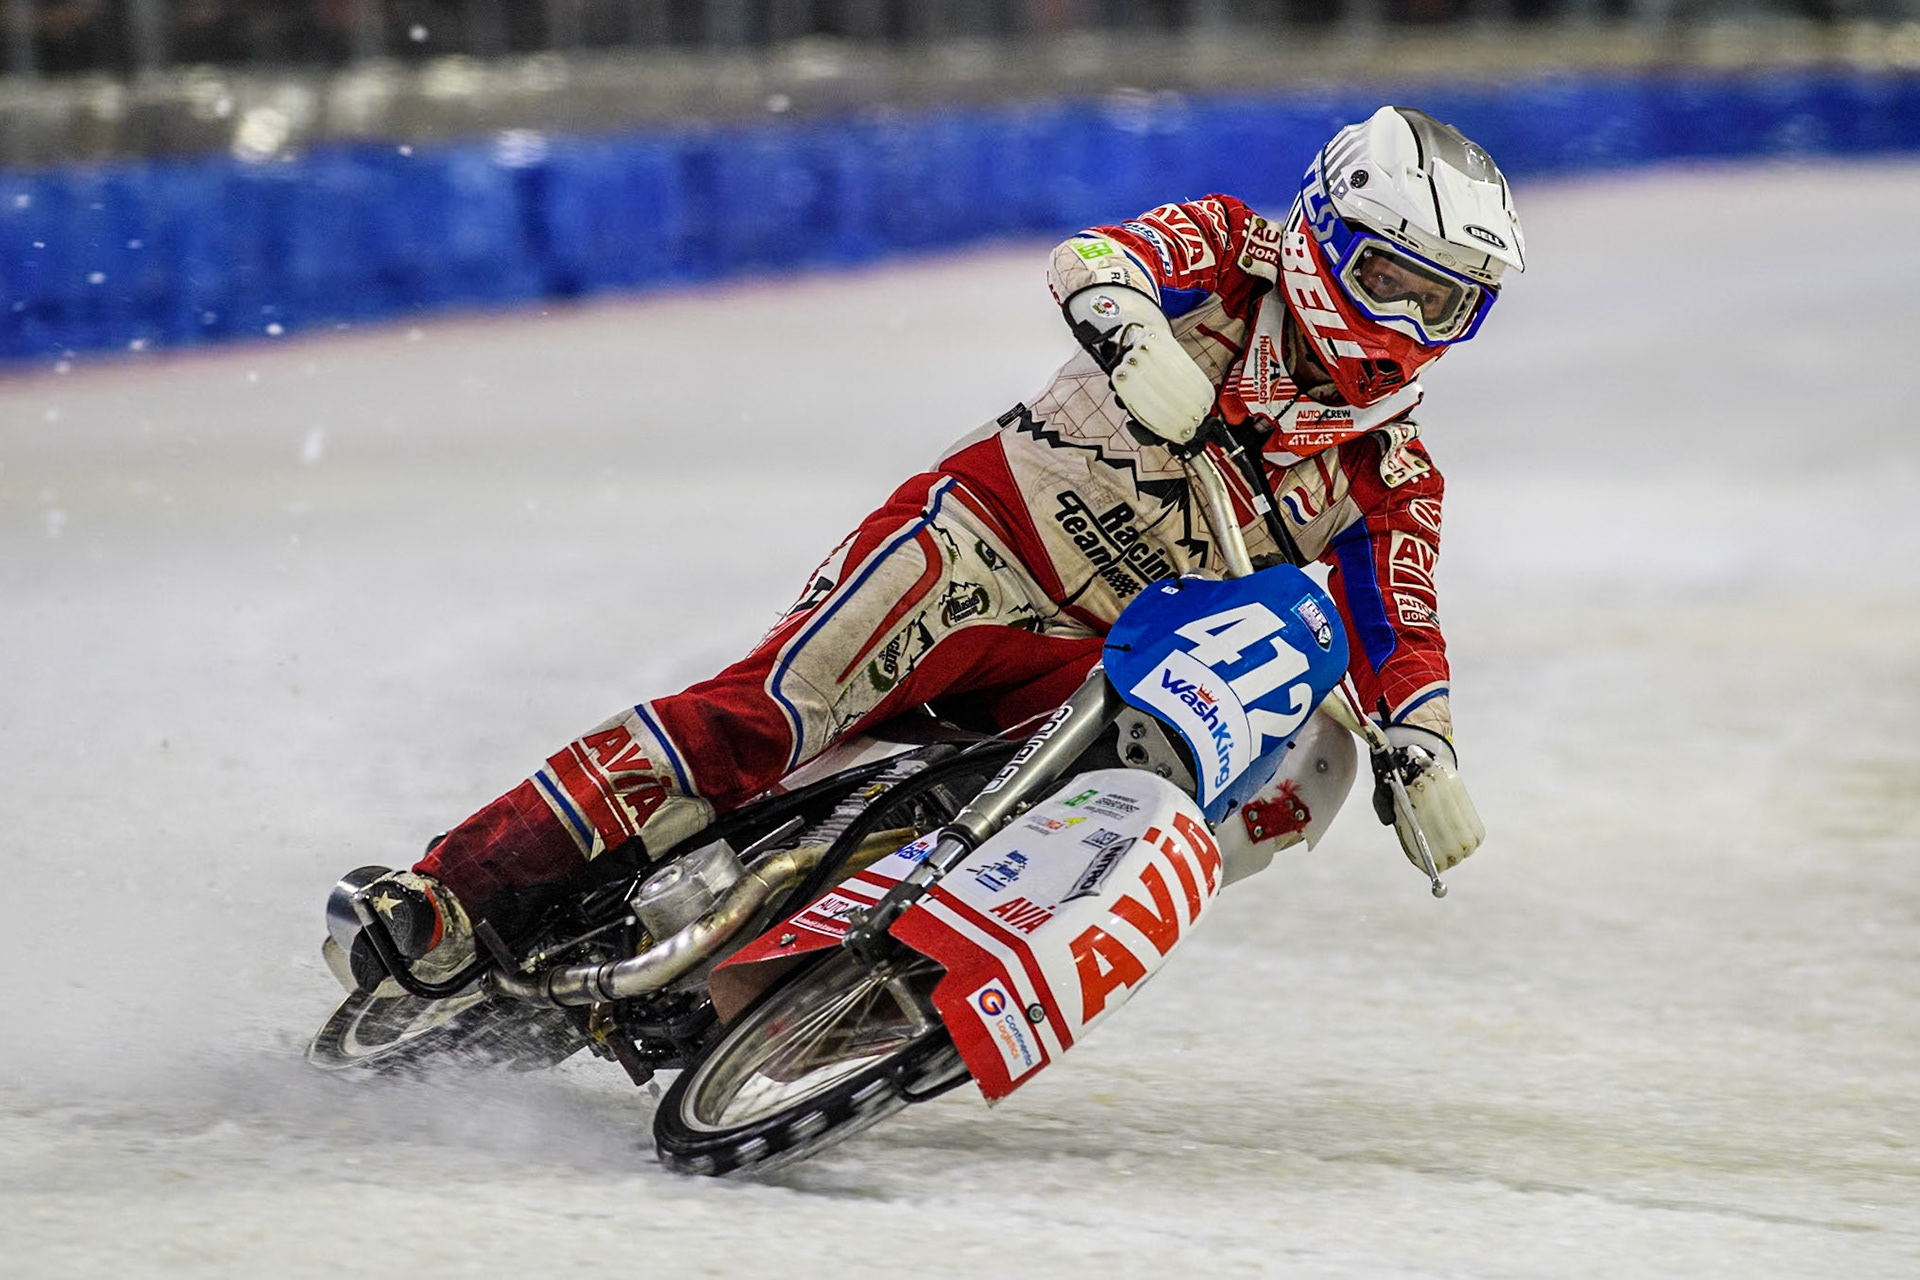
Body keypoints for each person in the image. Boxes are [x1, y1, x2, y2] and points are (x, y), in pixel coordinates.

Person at [349, 105, 1525, 984]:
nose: (1410, 331)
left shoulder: (1393, 470)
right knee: (762, 717)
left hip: (1102, 660)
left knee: (1301, 752)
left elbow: (1398, 621)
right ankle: (448, 891)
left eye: (1451, 306)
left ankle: (867, 977)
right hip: (977, 544)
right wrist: (1125, 327)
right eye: (1391, 281)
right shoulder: (1226, 251)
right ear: (1321, 228)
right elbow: (1098, 257)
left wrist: (1424, 748)